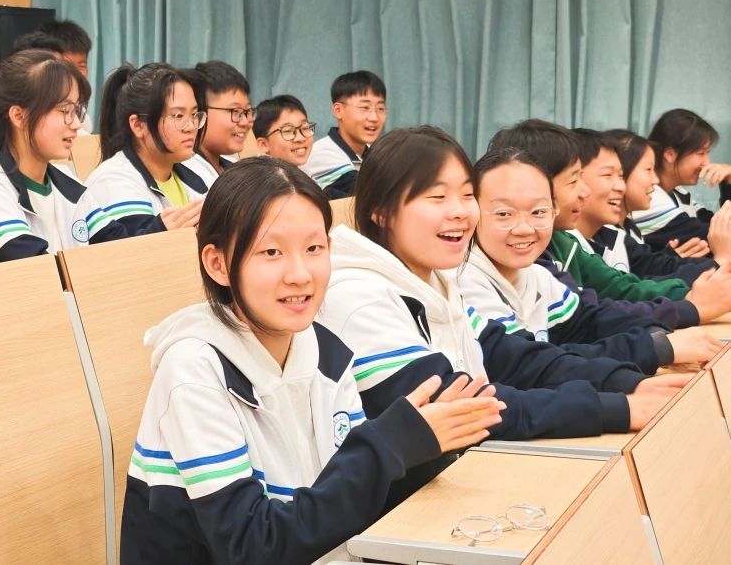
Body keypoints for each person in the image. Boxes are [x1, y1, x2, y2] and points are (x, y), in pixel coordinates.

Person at [120, 157, 505, 565]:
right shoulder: (194, 369)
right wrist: (389, 444)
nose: (300, 274)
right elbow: (252, 547)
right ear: (218, 264)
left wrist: (423, 449)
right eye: (271, 252)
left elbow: (342, 500)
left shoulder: (325, 350)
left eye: (313, 249)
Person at [318, 126, 691, 509]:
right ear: (382, 211)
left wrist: (628, 384)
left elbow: (512, 357)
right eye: (437, 197)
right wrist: (616, 407)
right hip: (399, 513)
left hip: (453, 483)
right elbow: (465, 410)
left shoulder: (435, 280)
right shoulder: (359, 297)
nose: (459, 211)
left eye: (466, 195)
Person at [456, 147, 722, 374]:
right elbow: (532, 366)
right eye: (503, 214)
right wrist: (658, 344)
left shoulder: (537, 274)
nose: (524, 227)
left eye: (538, 211)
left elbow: (590, 320)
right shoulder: (464, 282)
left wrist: (657, 334)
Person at [489, 119, 731, 323]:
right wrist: (693, 300)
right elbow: (589, 318)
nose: (584, 191)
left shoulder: (568, 241)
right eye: (574, 180)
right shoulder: (531, 255)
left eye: (621, 175)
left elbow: (621, 290)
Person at [0, 49, 125, 264]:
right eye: (64, 110)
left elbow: (116, 243)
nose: (77, 124)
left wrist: (159, 227)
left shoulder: (67, 181)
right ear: (19, 116)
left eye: (76, 110)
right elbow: (40, 268)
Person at [87, 63, 209, 236]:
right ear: (138, 125)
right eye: (178, 116)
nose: (191, 127)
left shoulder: (197, 171)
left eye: (194, 115)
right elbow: (136, 250)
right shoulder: (113, 181)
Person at [592, 129, 726, 283]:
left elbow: (644, 270)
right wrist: (720, 261)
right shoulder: (605, 233)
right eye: (648, 170)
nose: (655, 180)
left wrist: (667, 258)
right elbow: (634, 287)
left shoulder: (629, 228)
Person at [632, 108, 731, 251]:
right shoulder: (650, 197)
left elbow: (720, 224)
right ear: (670, 154)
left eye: (707, 153)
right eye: (701, 153)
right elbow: (720, 236)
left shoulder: (678, 193)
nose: (707, 162)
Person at [302, 70, 386, 199]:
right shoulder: (322, 154)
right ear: (338, 110)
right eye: (364, 108)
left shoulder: (374, 154)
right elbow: (370, 198)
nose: (374, 117)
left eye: (380, 108)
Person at [183, 61, 253, 179]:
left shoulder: (235, 168)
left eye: (247, 111)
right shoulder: (187, 174)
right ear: (199, 113)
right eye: (235, 111)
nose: (245, 122)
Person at [35, 19, 94, 132]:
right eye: (67, 65)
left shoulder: (83, 119)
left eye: (82, 66)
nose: (76, 74)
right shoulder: (38, 114)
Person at [253, 94, 315, 166]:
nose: (300, 138)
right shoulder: (260, 173)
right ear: (263, 144)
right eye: (288, 131)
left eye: (305, 128)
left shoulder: (304, 169)